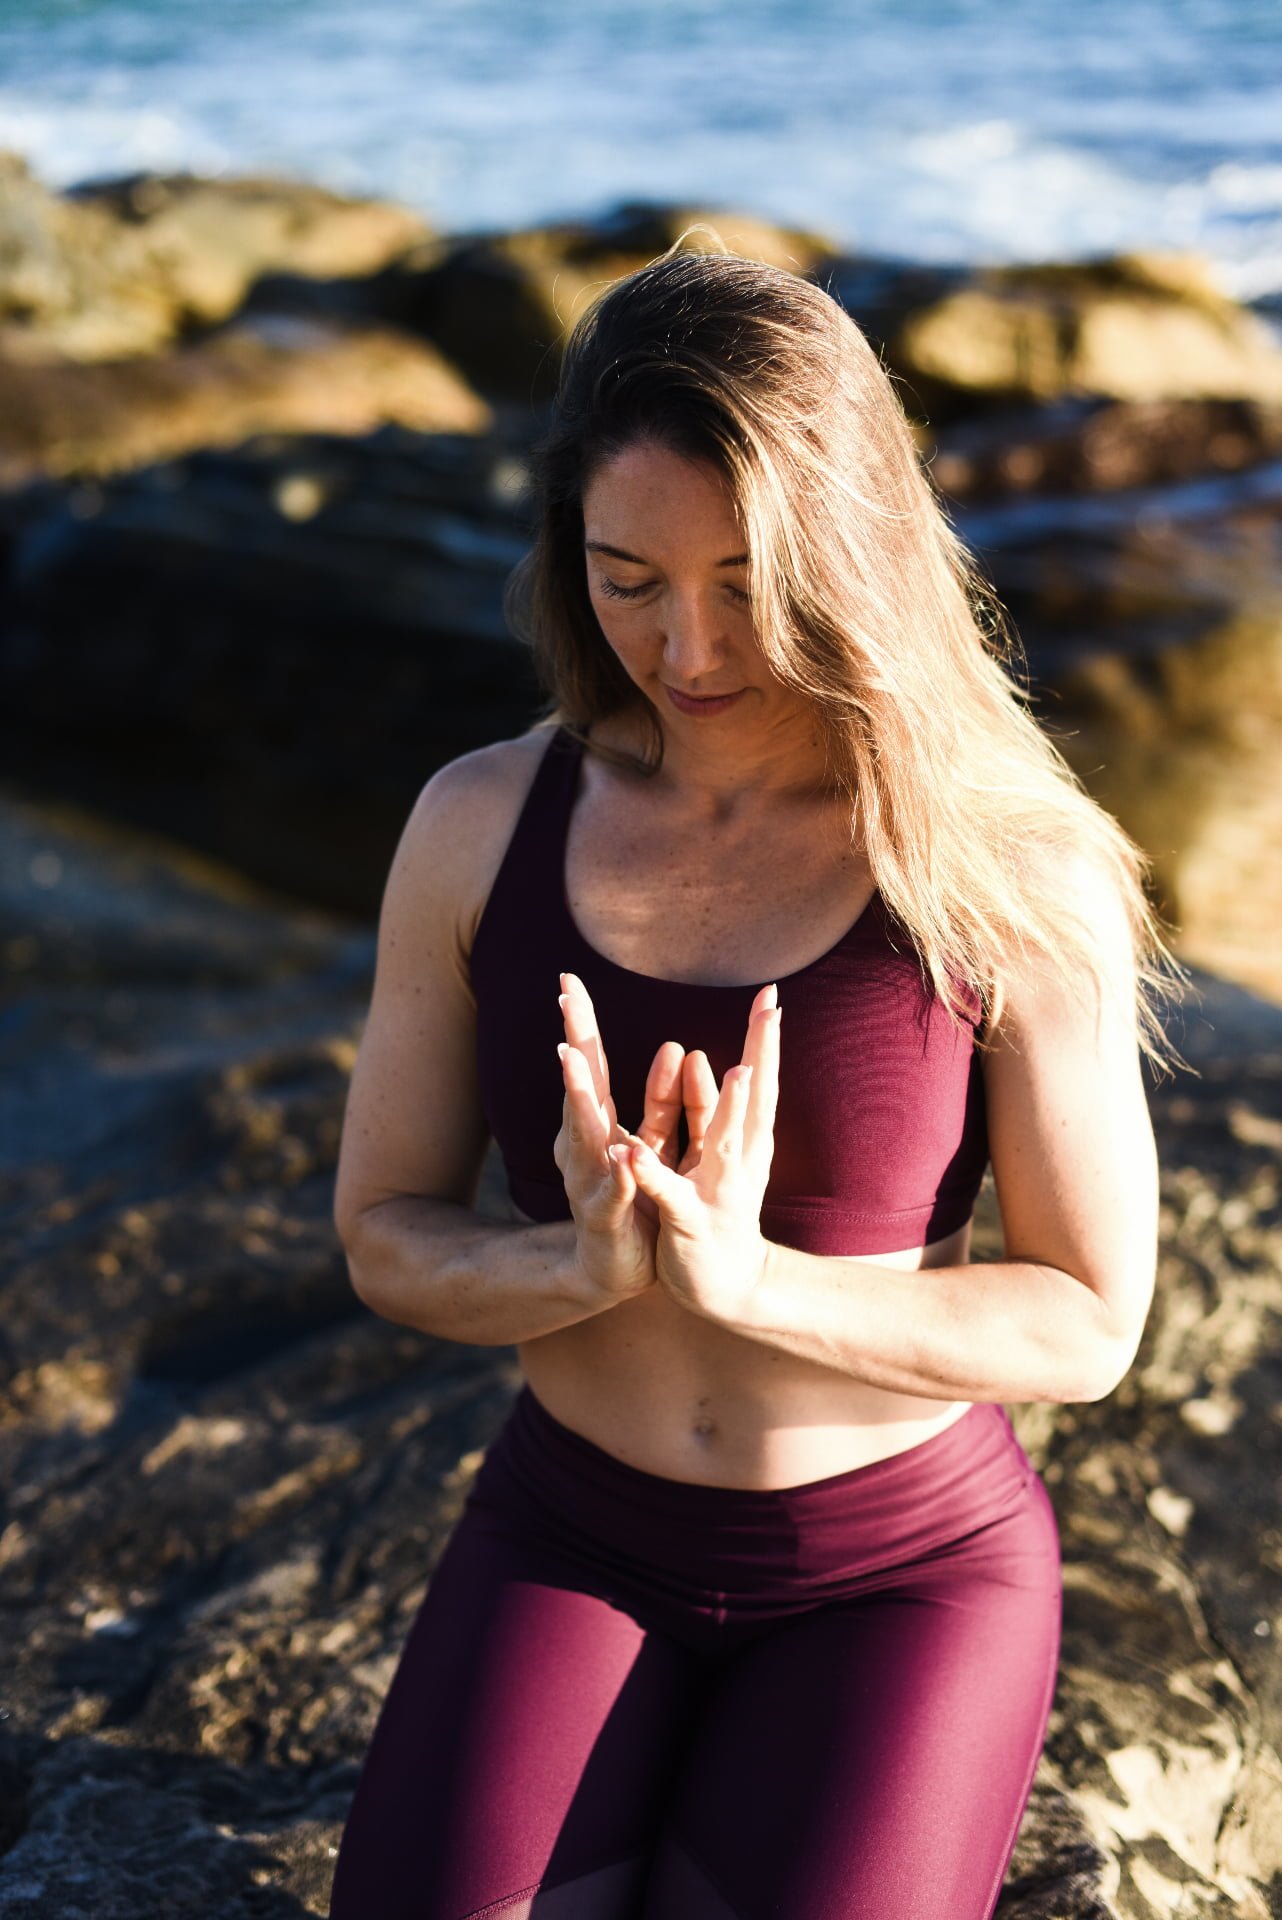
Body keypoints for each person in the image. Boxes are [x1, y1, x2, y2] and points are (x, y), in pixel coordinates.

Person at [326, 241, 1183, 1920]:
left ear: (848, 547)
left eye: (747, 577)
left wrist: (751, 1285)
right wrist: (566, 1269)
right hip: (568, 1529)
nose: (691, 642)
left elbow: (1087, 1318)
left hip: (899, 1575)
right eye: (627, 577)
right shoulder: (480, 823)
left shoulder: (996, 860)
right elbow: (384, 1231)